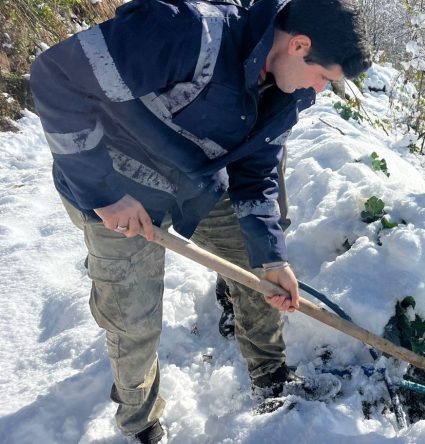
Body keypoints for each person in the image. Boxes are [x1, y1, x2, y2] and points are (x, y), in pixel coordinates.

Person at [30, 0, 371, 442]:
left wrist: (271, 257)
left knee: (257, 272)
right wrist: (105, 195)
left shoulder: (292, 90)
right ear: (299, 45)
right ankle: (140, 422)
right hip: (114, 187)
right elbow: (56, 75)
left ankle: (270, 378)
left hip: (194, 185)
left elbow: (257, 170)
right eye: (325, 77)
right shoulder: (191, 33)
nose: (322, 89)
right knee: (133, 316)